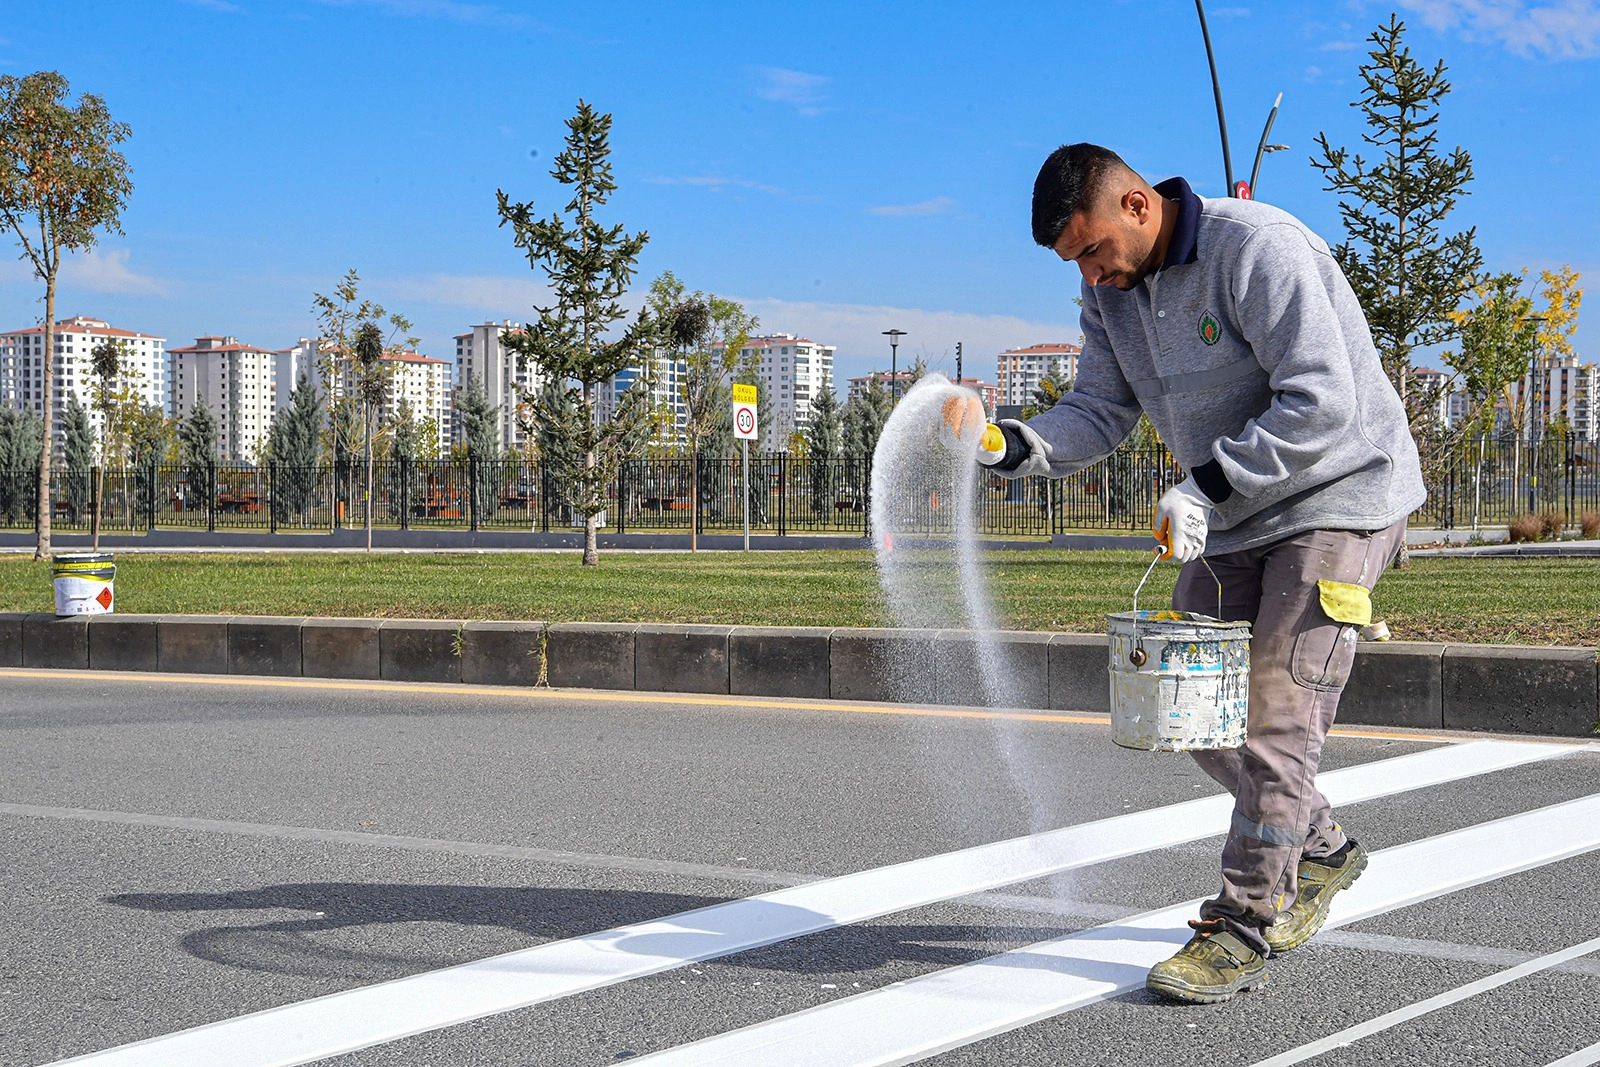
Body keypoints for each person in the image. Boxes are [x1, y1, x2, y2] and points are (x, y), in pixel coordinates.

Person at [978, 143, 1425, 1004]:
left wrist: (1206, 483)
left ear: (1137, 206)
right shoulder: (1109, 290)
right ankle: (1320, 847)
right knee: (1186, 705)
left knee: (1278, 709)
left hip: (1341, 495)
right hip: (1230, 513)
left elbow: (1322, 400)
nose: (1093, 277)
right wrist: (1009, 445)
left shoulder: (1259, 249)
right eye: (1076, 263)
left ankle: (1247, 919)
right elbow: (1101, 409)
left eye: (1095, 251)